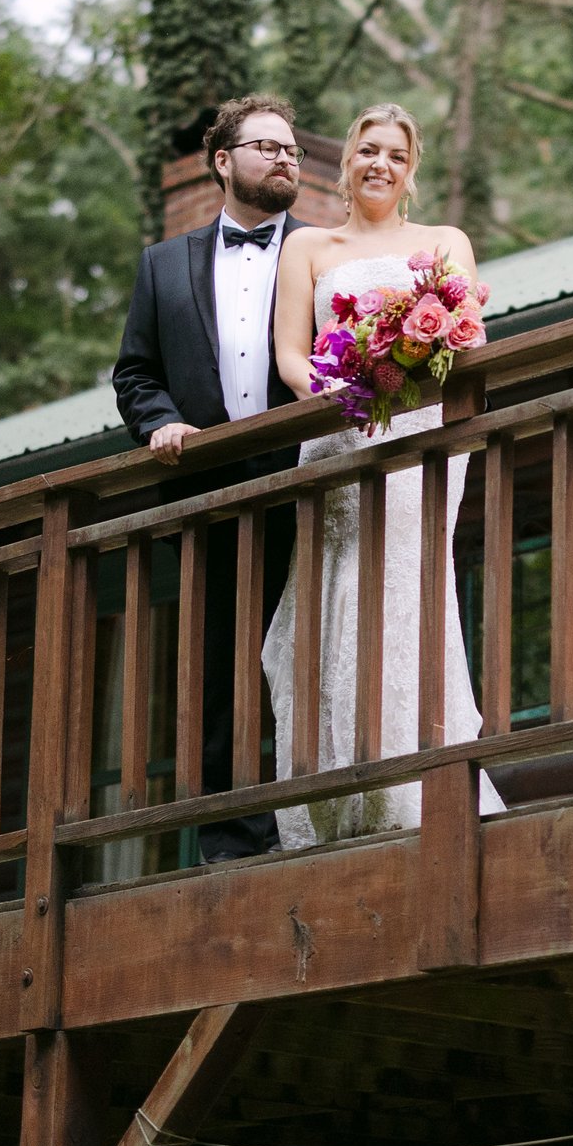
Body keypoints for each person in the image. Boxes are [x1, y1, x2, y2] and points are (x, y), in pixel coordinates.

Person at [261, 102, 506, 848]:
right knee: (338, 591)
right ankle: (340, 789)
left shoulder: (442, 241)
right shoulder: (308, 245)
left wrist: (402, 362)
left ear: (412, 169)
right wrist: (333, 393)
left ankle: (416, 779)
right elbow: (292, 353)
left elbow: (470, 334)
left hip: (417, 432)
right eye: (368, 150)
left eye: (396, 155)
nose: (380, 165)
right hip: (338, 433)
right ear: (347, 162)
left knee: (409, 584)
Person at [112, 94, 308, 859]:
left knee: (313, 651)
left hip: (307, 480)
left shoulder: (322, 249)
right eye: (266, 146)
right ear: (223, 161)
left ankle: (318, 811)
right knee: (222, 665)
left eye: (292, 149)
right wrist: (159, 418)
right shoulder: (162, 265)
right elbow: (135, 371)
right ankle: (234, 837)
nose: (285, 157)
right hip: (208, 494)